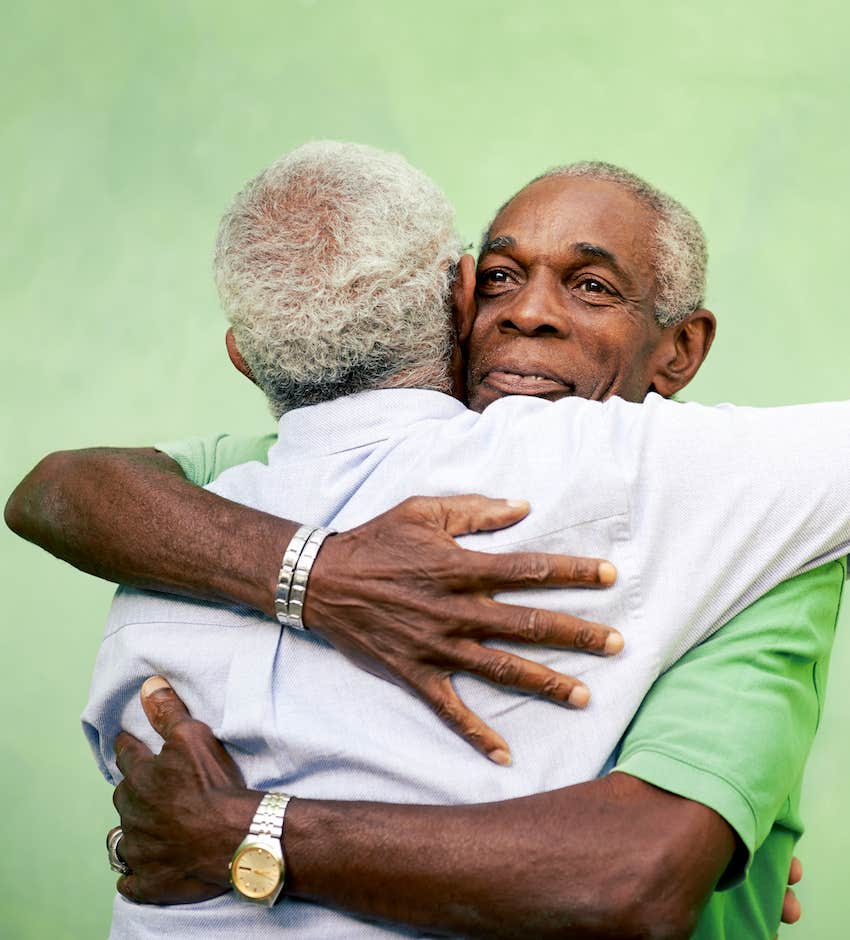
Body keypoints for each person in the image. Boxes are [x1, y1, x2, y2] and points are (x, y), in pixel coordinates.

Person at [6, 143, 841, 937]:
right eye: (504, 278)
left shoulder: (746, 541)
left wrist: (240, 832)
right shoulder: (285, 466)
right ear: (459, 298)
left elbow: (632, 877)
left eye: (591, 286)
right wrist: (322, 573)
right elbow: (61, 490)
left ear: (680, 349)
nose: (529, 313)